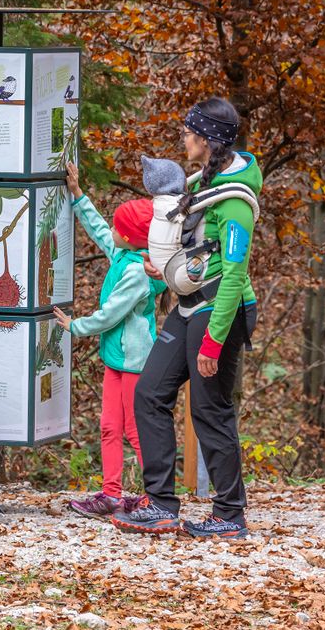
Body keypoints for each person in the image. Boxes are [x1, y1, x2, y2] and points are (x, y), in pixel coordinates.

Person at [112, 97, 261, 539]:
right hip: (191, 303)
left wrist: (214, 343)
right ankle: (160, 504)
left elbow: (234, 276)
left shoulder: (235, 202)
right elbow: (196, 250)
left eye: (187, 132)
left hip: (222, 310)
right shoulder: (204, 182)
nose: (183, 139)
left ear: (206, 140)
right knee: (150, 393)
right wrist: (166, 271)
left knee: (209, 409)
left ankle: (230, 514)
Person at [55, 164, 165, 519]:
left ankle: (156, 495)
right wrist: (77, 195)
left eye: (120, 227)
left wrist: (76, 326)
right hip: (115, 358)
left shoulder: (136, 273)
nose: (113, 230)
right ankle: (111, 493)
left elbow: (111, 315)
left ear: (132, 238)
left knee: (135, 428)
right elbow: (100, 229)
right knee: (108, 427)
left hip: (134, 360)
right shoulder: (124, 253)